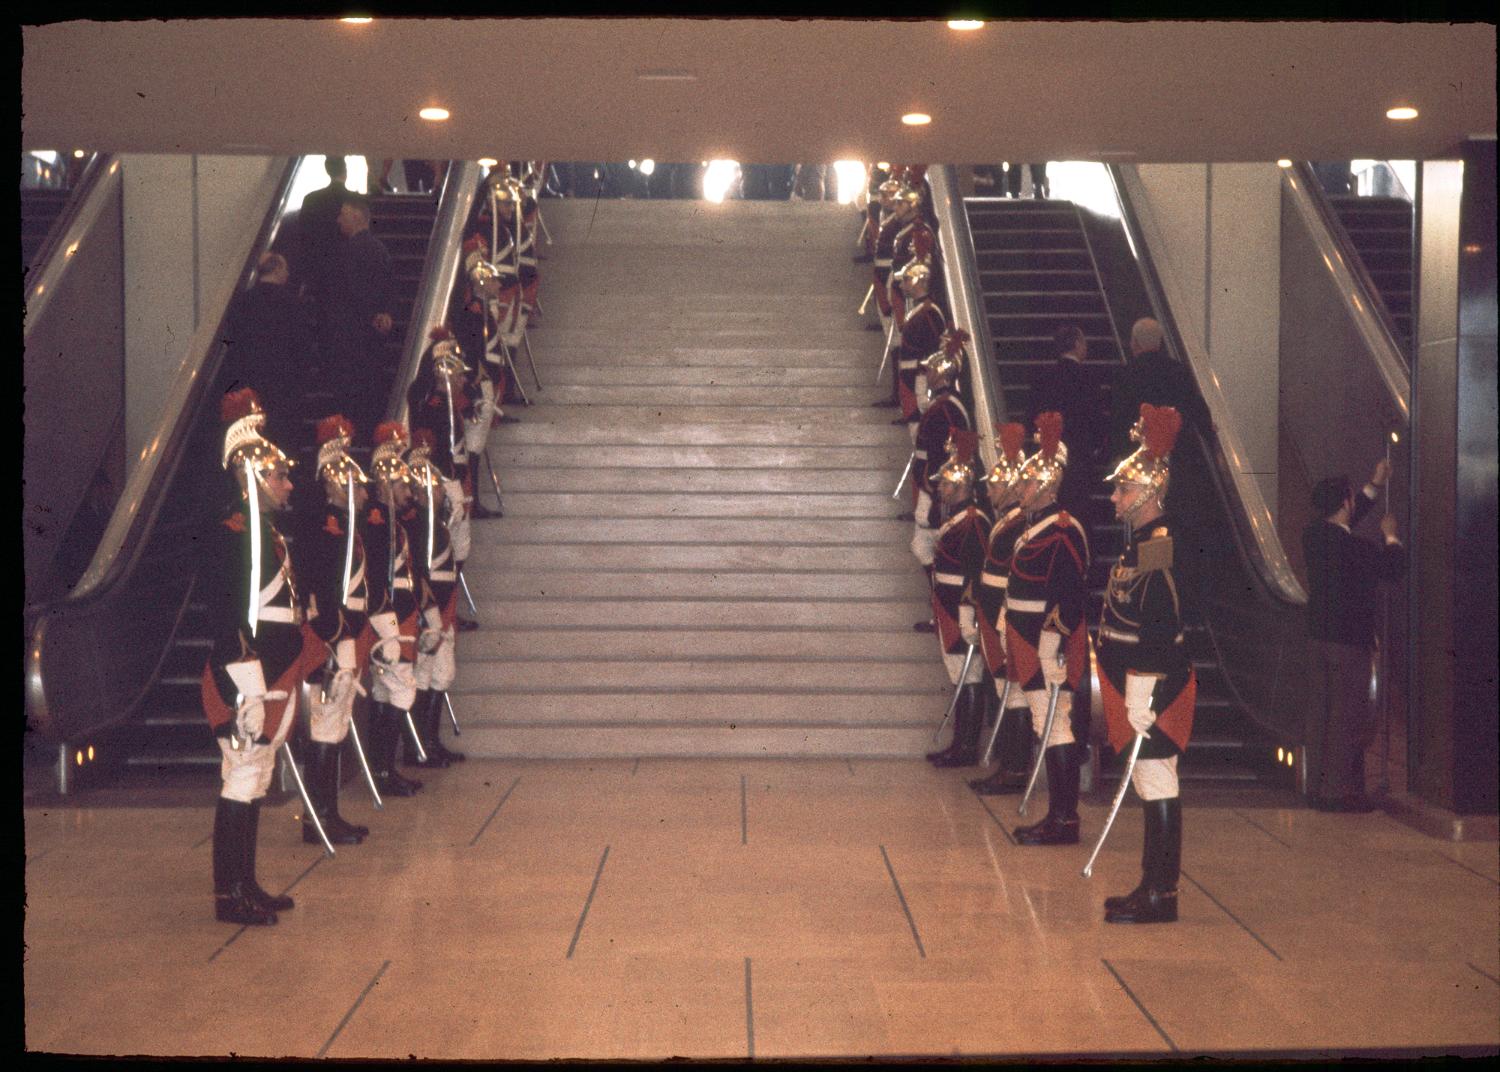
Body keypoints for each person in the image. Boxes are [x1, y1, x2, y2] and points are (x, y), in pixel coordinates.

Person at [200, 388, 317, 925]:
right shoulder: (232, 535)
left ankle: (246, 883)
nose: (288, 484)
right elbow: (228, 617)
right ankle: (229, 897)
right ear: (250, 474)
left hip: (271, 674)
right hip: (244, 677)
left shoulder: (266, 532)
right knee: (240, 779)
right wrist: (245, 686)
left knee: (257, 777)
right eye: (279, 476)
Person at [1097, 404, 1196, 923]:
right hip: (1138, 683)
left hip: (1156, 686)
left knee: (1159, 781)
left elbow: (1160, 619)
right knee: (1149, 781)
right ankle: (1150, 885)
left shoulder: (1158, 547)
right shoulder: (1137, 543)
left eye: (1125, 490)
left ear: (1151, 494)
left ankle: (1162, 893)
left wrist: (1143, 689)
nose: (1116, 497)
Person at [1006, 412, 1092, 846]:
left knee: (1056, 725)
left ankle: (1064, 819)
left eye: (1025, 483)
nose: (1018, 489)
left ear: (1045, 486)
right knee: (1046, 723)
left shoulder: (1062, 531)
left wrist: (1053, 641)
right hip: (1026, 639)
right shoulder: (1033, 527)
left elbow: (1069, 594)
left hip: (1046, 642)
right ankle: (1058, 814)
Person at [1301, 458, 1405, 812]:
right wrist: (1391, 534)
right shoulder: (1357, 550)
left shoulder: (1314, 537)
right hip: (1350, 644)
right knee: (1347, 717)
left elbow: (1345, 517)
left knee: (1321, 713)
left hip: (1317, 638)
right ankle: (1340, 792)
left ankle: (1315, 786)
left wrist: (1372, 485)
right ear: (1345, 503)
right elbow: (1393, 567)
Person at [295, 414, 375, 846]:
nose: (363, 493)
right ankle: (316, 817)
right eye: (354, 486)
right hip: (329, 633)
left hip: (348, 631)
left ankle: (330, 811)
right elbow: (316, 581)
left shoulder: (348, 527)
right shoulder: (321, 522)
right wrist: (332, 630)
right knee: (325, 725)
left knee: (337, 723)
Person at [969, 423, 1037, 795]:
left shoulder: (1017, 525)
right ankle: (1007, 764)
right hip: (994, 617)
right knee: (1006, 692)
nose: (990, 490)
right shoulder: (1006, 522)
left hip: (1006, 618)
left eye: (996, 486)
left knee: (1014, 694)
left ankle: (1014, 769)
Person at [362, 421, 425, 798]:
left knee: (388, 695)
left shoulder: (392, 521)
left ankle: (385, 768)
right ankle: (381, 770)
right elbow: (376, 576)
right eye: (400, 485)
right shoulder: (377, 520)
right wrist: (385, 621)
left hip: (400, 612)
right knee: (398, 689)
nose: (407, 491)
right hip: (387, 615)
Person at [924, 431, 993, 768]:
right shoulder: (957, 519)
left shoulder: (973, 522)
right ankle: (959, 743)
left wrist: (969, 613)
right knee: (959, 675)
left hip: (961, 608)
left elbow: (975, 573)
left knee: (971, 676)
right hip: (947, 605)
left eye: (946, 485)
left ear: (962, 488)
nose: (940, 489)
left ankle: (967, 748)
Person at [405, 428, 465, 766]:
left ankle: (430, 741)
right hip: (430, 610)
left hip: (445, 605)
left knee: (441, 674)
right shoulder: (417, 524)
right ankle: (419, 746)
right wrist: (431, 615)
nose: (441, 492)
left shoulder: (438, 521)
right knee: (427, 674)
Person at [224, 252, 319, 453]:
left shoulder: (243, 302)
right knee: (281, 440)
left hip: (250, 383)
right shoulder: (293, 304)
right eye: (285, 269)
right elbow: (303, 346)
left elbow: (233, 342)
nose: (287, 273)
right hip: (284, 385)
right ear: (276, 270)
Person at [319, 194, 395, 434]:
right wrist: (384, 315)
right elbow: (389, 287)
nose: (338, 219)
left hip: (349, 339)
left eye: (343, 214)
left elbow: (349, 292)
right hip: (372, 340)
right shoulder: (381, 250)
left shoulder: (346, 252)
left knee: (348, 397)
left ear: (357, 216)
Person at [908, 331, 972, 580]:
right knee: (923, 547)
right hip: (941, 487)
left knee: (927, 547)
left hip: (937, 490)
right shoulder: (949, 404)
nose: (927, 373)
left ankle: (939, 605)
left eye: (931, 371)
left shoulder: (941, 410)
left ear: (943, 374)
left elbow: (931, 459)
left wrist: (932, 490)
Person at [1032, 323, 1104, 530]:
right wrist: (1098, 447)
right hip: (1079, 455)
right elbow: (1096, 417)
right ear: (1076, 344)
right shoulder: (1088, 378)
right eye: (1084, 342)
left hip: (1049, 452)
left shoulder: (1043, 377)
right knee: (1079, 510)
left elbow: (1032, 416)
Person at [1108, 317, 1211, 462]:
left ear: (1135, 343)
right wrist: (1208, 430)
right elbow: (1194, 404)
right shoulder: (1179, 370)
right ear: (1160, 342)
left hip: (1137, 454)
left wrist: (1116, 451)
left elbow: (1119, 416)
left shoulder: (1124, 374)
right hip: (1176, 452)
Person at [296, 155, 350, 299]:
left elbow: (302, 233)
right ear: (345, 171)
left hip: (317, 262)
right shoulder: (354, 199)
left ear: (328, 171)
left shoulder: (311, 199)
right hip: (344, 264)